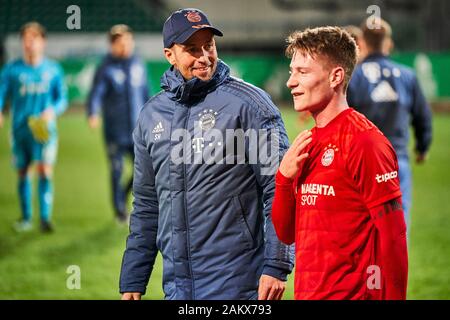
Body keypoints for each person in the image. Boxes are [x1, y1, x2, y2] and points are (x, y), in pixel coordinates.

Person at [119, 8, 294, 300]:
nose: (204, 56)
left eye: (208, 45)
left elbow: (279, 188)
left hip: (238, 284)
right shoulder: (151, 115)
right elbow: (147, 205)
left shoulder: (250, 105)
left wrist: (276, 264)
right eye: (191, 49)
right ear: (169, 55)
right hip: (177, 288)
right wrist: (133, 280)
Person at [271, 26, 408, 299]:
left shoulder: (365, 142)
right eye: (291, 71)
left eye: (303, 72)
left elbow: (394, 238)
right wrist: (284, 180)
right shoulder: (307, 143)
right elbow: (287, 234)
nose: (291, 82)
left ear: (336, 76)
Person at [347, 19, 432, 232]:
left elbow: (342, 120)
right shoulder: (407, 76)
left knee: (360, 226)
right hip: (396, 160)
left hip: (360, 163)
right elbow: (423, 117)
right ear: (389, 44)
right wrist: (422, 147)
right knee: (397, 227)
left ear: (363, 43)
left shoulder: (353, 77)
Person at [0, 22, 68, 232]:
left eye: (34, 38)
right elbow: (2, 95)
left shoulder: (53, 69)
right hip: (20, 130)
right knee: (22, 171)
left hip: (44, 130)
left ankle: (45, 218)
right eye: (26, 39)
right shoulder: (11, 70)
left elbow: (62, 100)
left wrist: (52, 111)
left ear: (43, 42)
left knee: (45, 171)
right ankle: (26, 218)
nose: (30, 43)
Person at [87, 24, 150, 223]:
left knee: (145, 169)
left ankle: (123, 195)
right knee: (116, 170)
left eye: (127, 42)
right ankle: (119, 210)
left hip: (137, 130)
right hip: (114, 131)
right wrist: (93, 112)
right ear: (112, 45)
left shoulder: (139, 64)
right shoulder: (105, 68)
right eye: (119, 43)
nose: (124, 46)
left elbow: (145, 94)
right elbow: (96, 93)